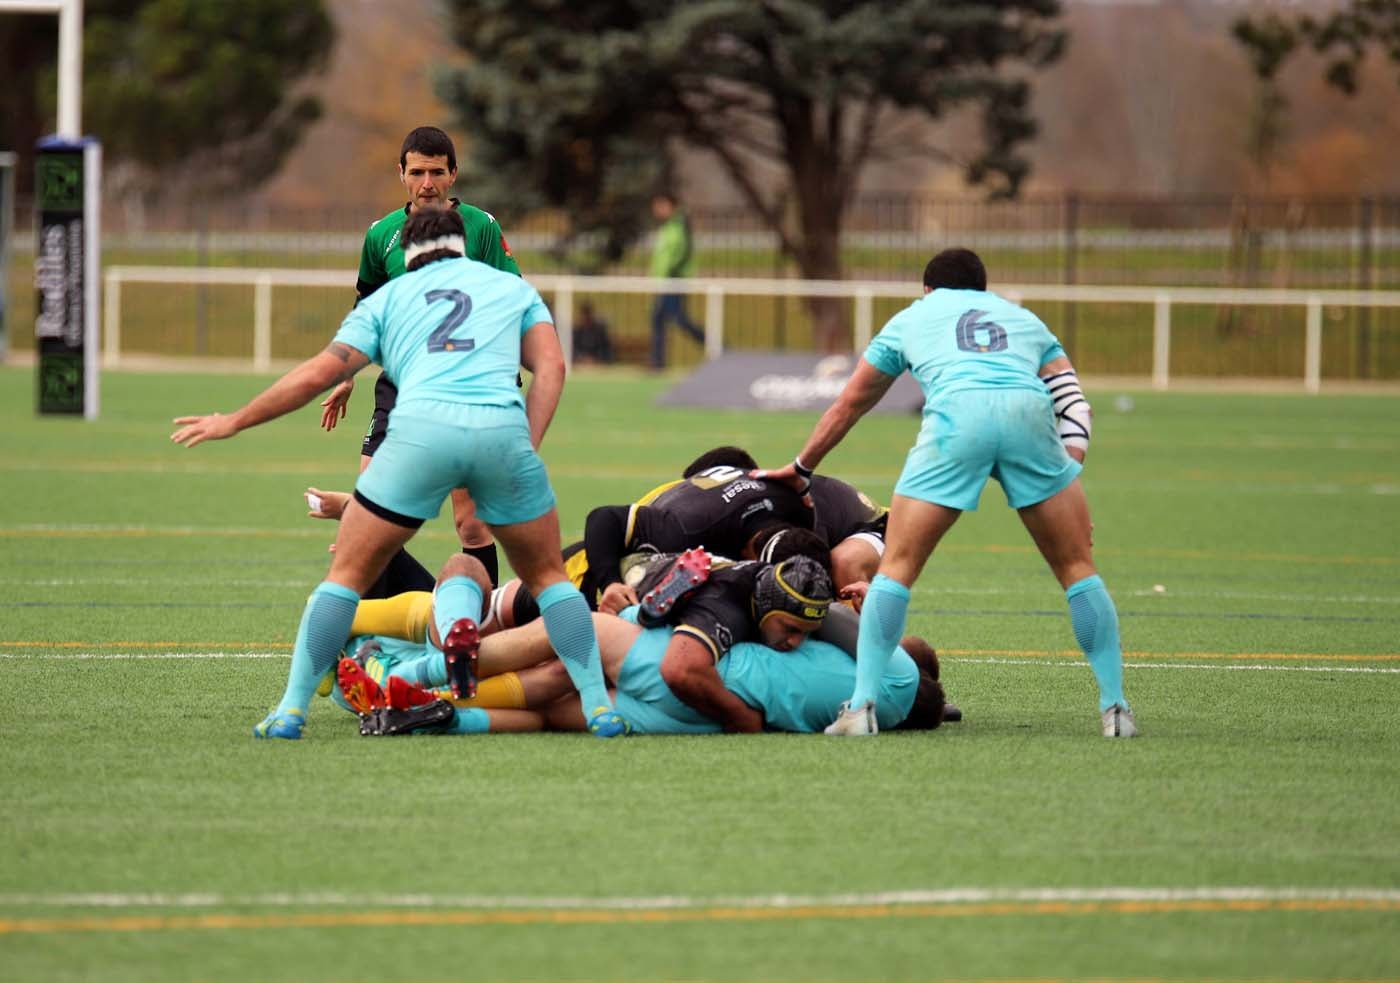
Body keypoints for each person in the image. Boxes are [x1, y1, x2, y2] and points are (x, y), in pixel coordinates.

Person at [171, 207, 627, 740]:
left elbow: (322, 373)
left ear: (406, 256)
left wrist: (235, 420)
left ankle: (290, 711)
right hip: (500, 432)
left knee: (345, 575)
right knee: (549, 579)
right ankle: (600, 709)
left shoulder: (389, 297)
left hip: (419, 435)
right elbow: (552, 367)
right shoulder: (511, 288)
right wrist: (524, 443)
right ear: (463, 245)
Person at [757, 247, 1136, 738]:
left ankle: (862, 708)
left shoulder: (913, 317)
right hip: (1029, 418)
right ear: (982, 289)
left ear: (928, 290)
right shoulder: (1022, 318)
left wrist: (801, 468)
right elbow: (1073, 402)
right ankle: (1116, 710)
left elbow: (851, 403)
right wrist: (1067, 471)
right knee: (1077, 569)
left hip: (959, 421)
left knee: (896, 569)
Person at [320, 125, 520, 592]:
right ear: (402, 175)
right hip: (401, 385)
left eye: (436, 172)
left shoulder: (482, 229)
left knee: (471, 525)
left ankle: (477, 629)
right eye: (417, 172)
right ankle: (432, 613)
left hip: (470, 389)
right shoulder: (381, 236)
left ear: (453, 175)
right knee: (371, 513)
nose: (426, 183)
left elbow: (512, 300)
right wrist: (347, 374)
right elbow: (366, 309)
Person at [647, 192, 703, 369]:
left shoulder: (680, 226)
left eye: (660, 206)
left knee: (678, 320)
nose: (656, 210)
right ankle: (657, 362)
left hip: (674, 280)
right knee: (659, 318)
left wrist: (670, 274)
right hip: (665, 281)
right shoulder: (668, 227)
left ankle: (720, 348)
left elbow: (680, 253)